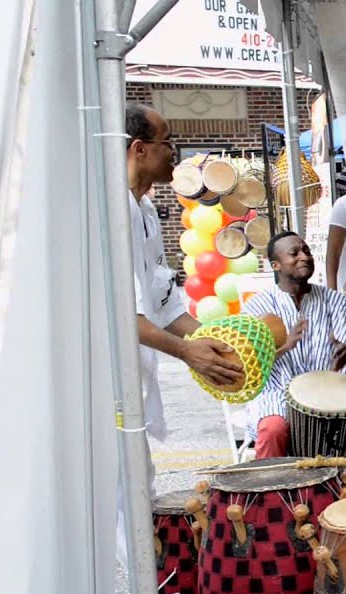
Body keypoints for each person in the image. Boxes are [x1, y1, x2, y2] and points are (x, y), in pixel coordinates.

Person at [122, 104, 243, 560]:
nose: (176, 153)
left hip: (135, 371)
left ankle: (148, 579)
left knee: (137, 478)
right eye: (168, 141)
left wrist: (217, 341)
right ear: (139, 149)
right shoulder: (110, 210)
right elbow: (123, 314)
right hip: (102, 380)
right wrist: (188, 353)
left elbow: (164, 302)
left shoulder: (148, 209)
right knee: (119, 486)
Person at [243, 231, 346, 494]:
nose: (304, 256)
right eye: (294, 253)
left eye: (307, 251)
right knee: (272, 428)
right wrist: (284, 346)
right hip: (278, 391)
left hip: (337, 391)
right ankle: (273, 504)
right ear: (275, 265)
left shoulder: (338, 301)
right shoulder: (258, 308)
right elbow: (247, 362)